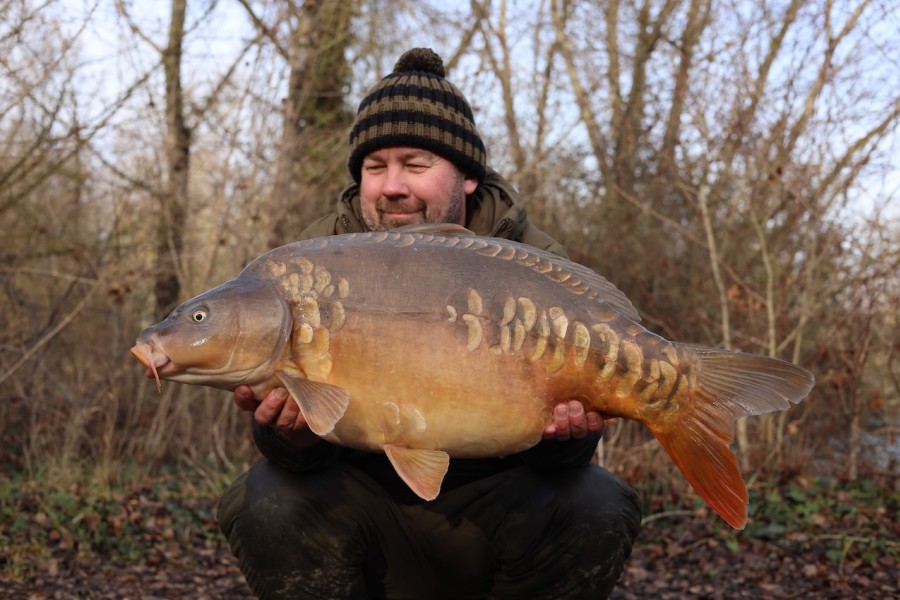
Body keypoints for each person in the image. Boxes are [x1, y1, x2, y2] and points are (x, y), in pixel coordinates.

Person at [217, 47, 642, 599]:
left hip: (496, 509)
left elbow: (566, 458)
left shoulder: (534, 263)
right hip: (369, 510)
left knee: (596, 501)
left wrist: (569, 436)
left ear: (466, 177)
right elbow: (297, 450)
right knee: (268, 497)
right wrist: (289, 437)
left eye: (416, 165)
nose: (393, 186)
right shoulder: (311, 267)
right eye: (375, 167)